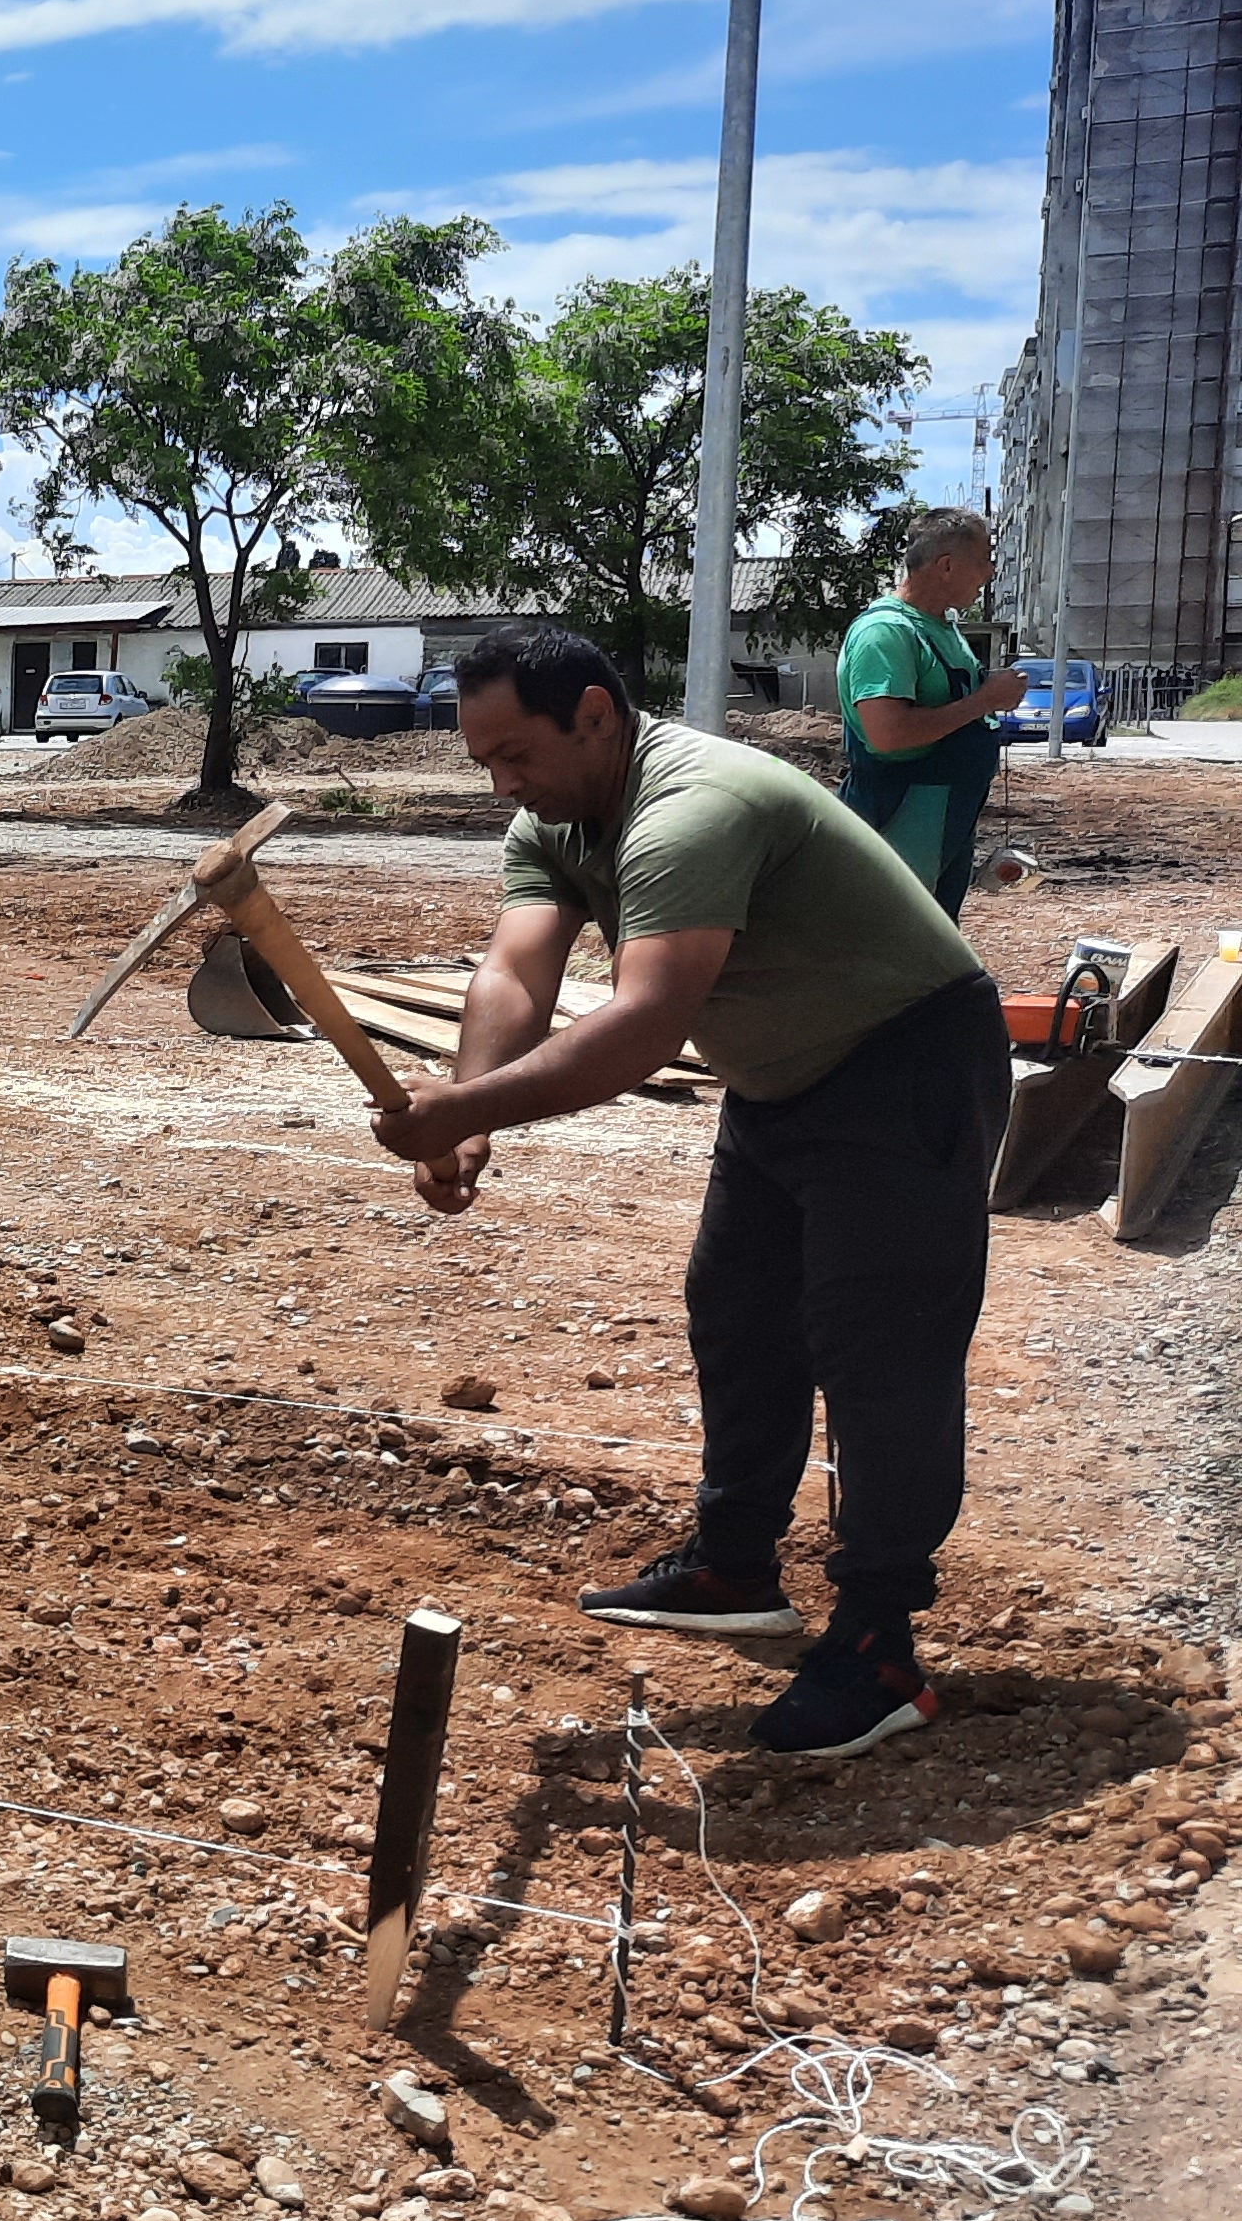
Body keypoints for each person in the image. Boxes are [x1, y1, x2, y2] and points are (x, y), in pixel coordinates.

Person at [371, 625, 1007, 1760]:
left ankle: (877, 1647)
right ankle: (733, 1564)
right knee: (738, 1311)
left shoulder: (690, 808)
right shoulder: (557, 820)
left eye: (516, 753)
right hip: (779, 1079)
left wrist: (463, 1111)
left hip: (905, 1062)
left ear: (598, 717)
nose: (503, 783)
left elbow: (644, 1026)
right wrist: (467, 1107)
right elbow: (516, 969)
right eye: (484, 762)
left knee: (881, 1351)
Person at [836, 507, 1026, 920]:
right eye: (983, 561)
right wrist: (984, 700)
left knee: (934, 947)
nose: (990, 572)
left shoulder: (941, 627)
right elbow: (886, 734)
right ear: (946, 566)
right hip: (899, 820)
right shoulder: (884, 633)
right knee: (890, 945)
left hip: (945, 820)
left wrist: (992, 692)